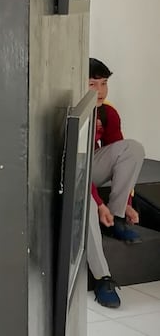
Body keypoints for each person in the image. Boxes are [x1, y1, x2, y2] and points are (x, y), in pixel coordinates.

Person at [86, 57, 145, 309]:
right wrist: (99, 204)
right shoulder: (68, 110)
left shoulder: (107, 112)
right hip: (64, 174)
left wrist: (126, 203)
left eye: (104, 83)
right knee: (86, 204)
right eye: (92, 84)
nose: (100, 91)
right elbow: (75, 168)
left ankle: (117, 218)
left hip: (89, 169)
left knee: (133, 148)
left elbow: (118, 155)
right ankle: (103, 277)